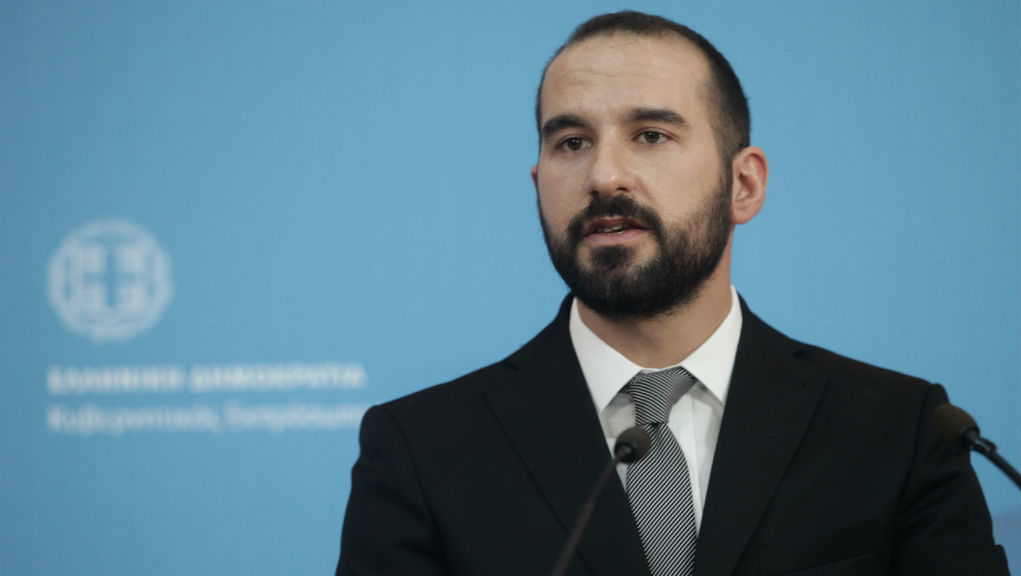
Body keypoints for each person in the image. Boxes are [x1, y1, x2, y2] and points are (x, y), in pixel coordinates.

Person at [336, 11, 1008, 576]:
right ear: (538, 184)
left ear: (743, 185)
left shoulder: (899, 431)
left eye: (651, 135)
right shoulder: (423, 450)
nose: (604, 176)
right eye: (572, 142)